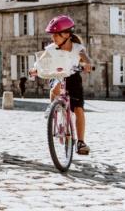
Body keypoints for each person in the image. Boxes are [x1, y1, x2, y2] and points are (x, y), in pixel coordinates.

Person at [31, 15, 92, 155]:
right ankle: (55, 110)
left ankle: (81, 141)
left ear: (66, 34)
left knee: (78, 109)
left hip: (72, 77)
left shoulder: (77, 47)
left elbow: (84, 56)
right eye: (52, 35)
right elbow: (40, 61)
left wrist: (87, 64)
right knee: (55, 88)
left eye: (56, 35)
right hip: (57, 75)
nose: (53, 39)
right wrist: (34, 69)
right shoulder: (51, 48)